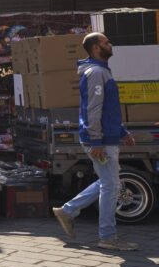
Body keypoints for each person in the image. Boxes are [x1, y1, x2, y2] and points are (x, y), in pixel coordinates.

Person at [52, 32, 138, 251]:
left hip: (105, 137)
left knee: (108, 182)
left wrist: (121, 132)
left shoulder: (101, 71)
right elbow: (94, 109)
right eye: (106, 42)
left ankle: (67, 211)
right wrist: (97, 142)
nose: (110, 44)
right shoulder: (97, 73)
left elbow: (109, 110)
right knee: (111, 184)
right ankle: (107, 236)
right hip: (100, 141)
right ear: (96, 48)